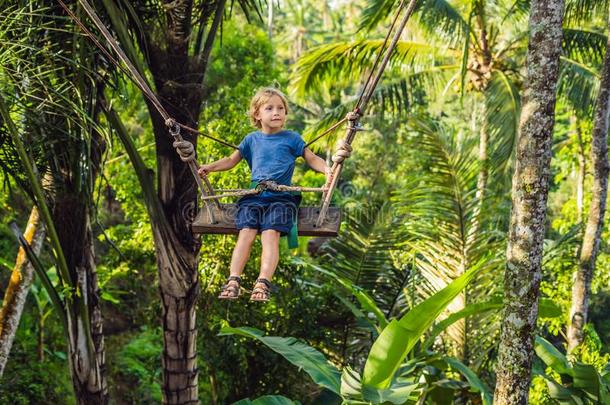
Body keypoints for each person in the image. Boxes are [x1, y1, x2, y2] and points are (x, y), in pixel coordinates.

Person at [197, 87, 332, 302]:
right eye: (269, 108)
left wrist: (326, 169)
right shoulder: (251, 140)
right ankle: (233, 280)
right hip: (254, 196)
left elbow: (312, 157)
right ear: (257, 114)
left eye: (281, 108)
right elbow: (231, 161)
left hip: (282, 197)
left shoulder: (293, 138)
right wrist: (209, 167)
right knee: (246, 233)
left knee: (271, 235)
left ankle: (263, 282)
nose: (276, 112)